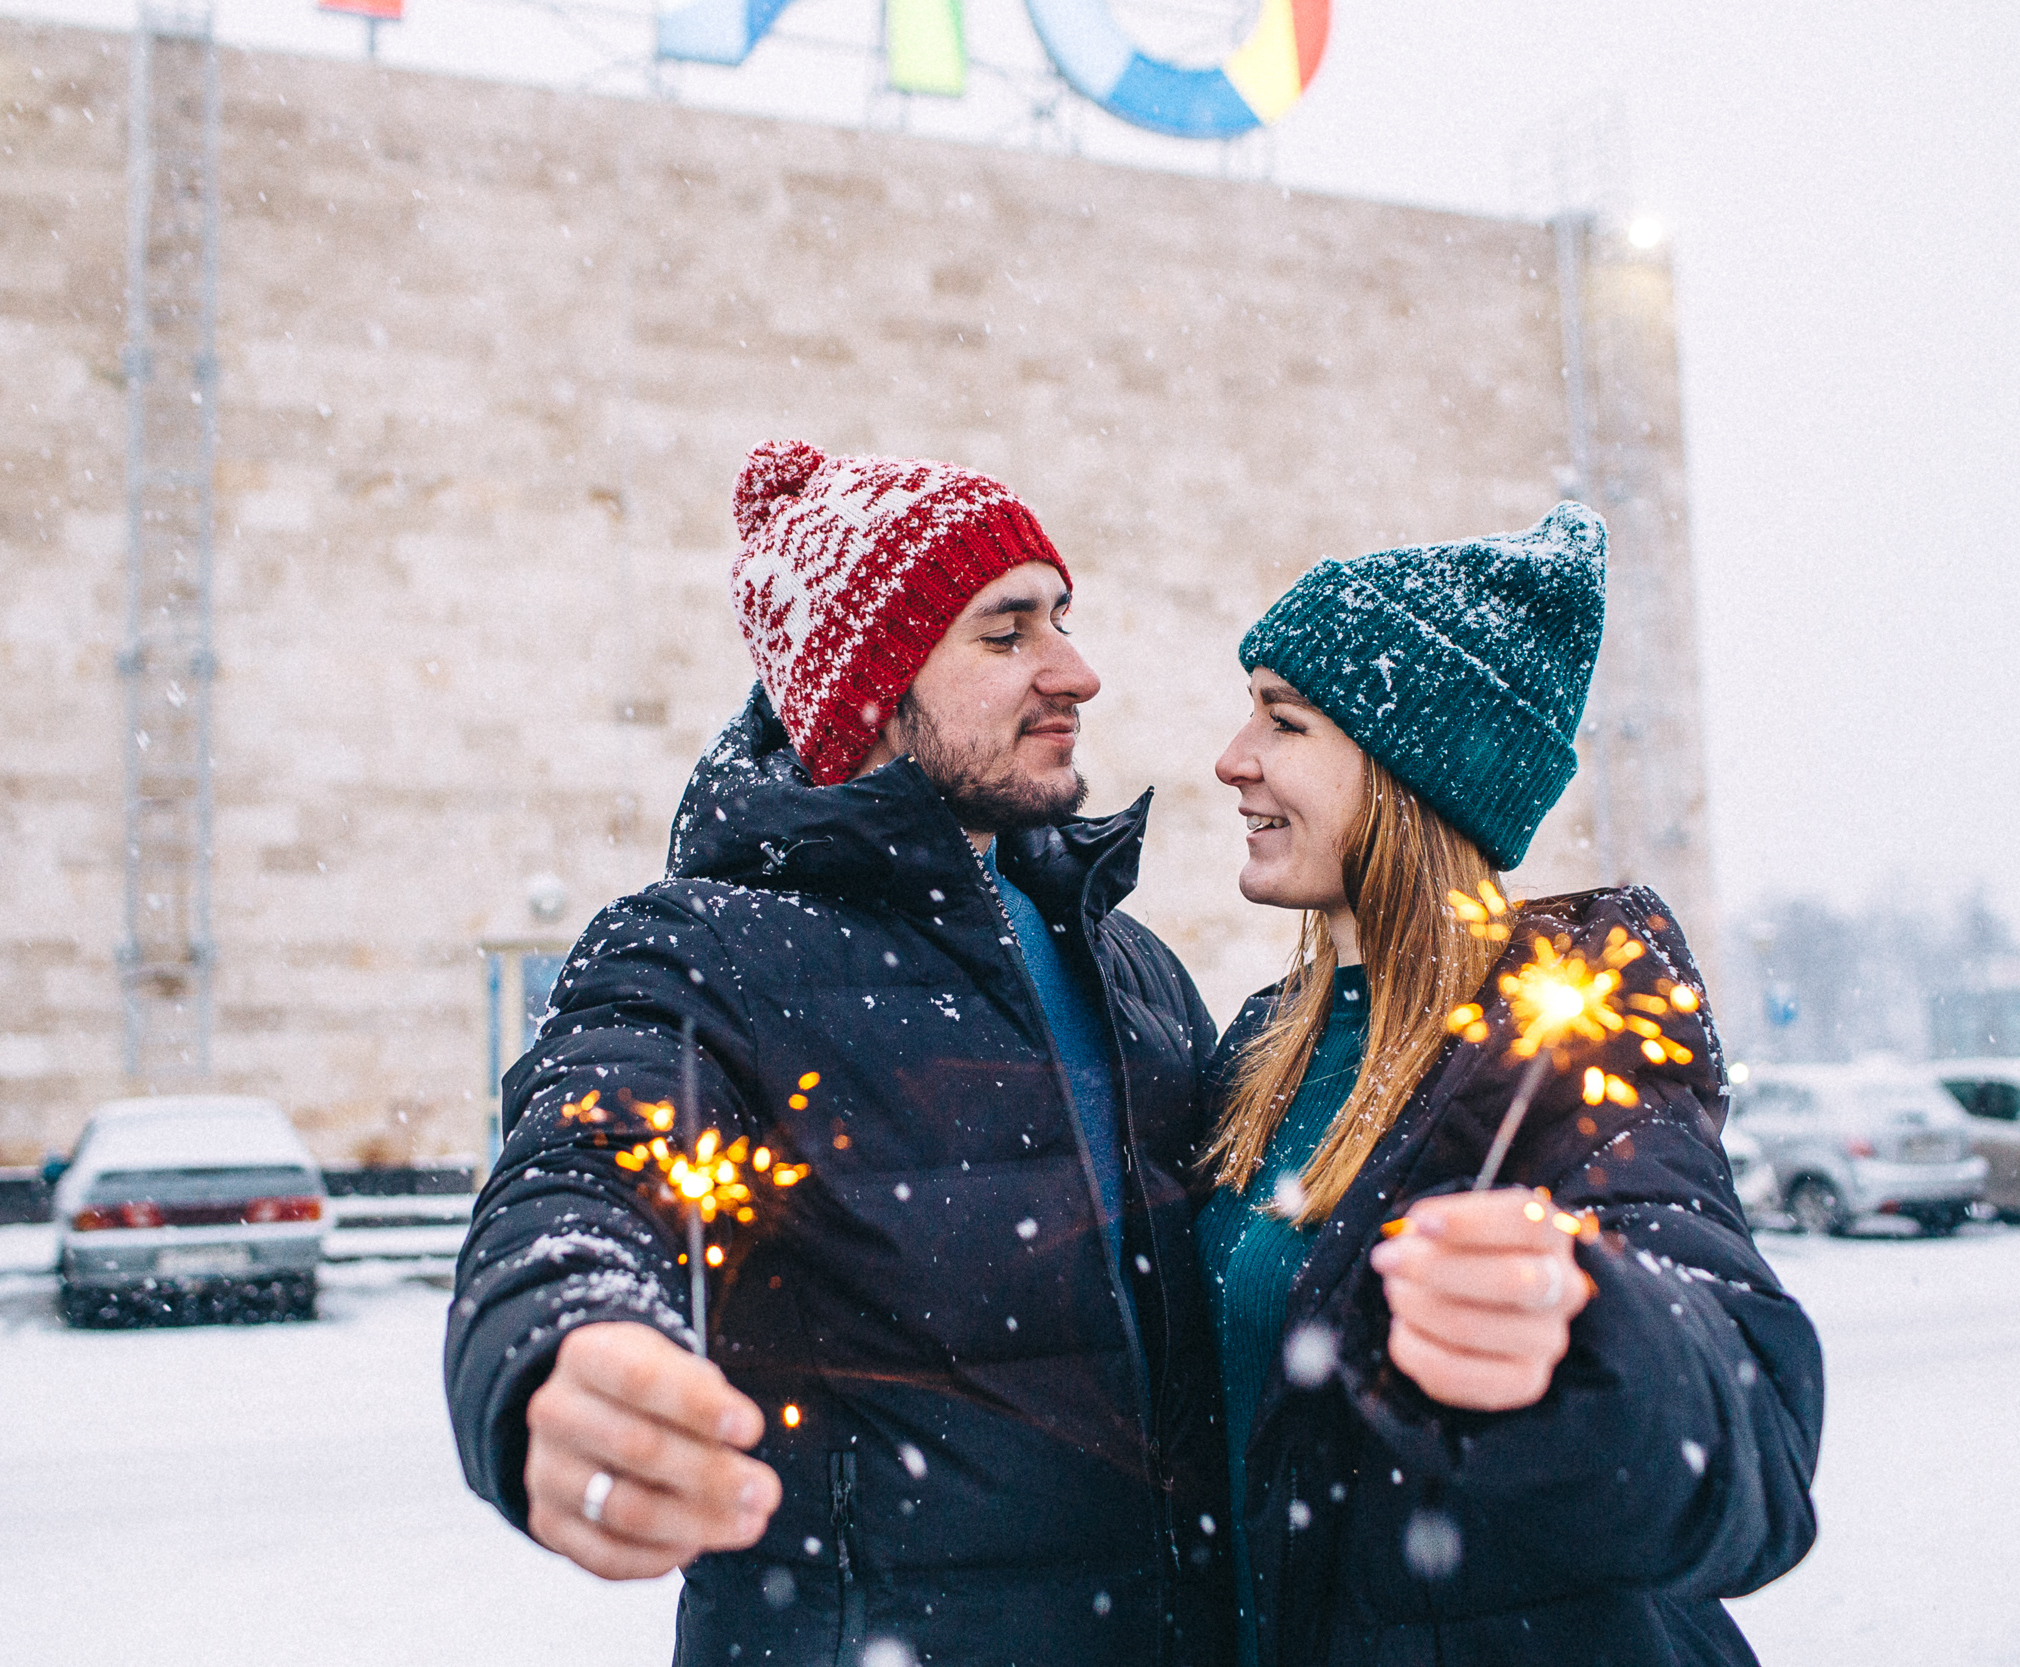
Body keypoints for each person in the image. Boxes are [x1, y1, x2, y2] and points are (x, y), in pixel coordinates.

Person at [444, 440, 1230, 1665]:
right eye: (1005, 631)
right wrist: (560, 1338)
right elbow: (581, 1160)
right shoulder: (706, 950)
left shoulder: (1133, 967)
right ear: (869, 687)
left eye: (1060, 619)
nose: (1074, 670)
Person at [1197, 503, 1824, 1666]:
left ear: (1407, 773)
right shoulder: (1260, 1047)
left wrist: (1593, 1327)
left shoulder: (1562, 1044)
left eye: (1283, 721)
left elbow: (1755, 1437)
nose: (1233, 758)